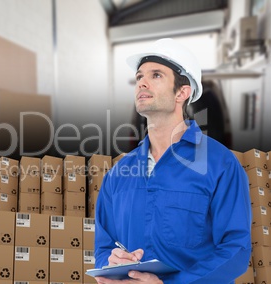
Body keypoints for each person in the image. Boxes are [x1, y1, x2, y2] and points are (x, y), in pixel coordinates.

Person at [94, 38, 252, 284]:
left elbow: (236, 250)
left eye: (156, 75)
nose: (142, 83)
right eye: (139, 77)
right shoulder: (118, 173)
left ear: (182, 92)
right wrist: (110, 264)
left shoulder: (220, 164)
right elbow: (103, 248)